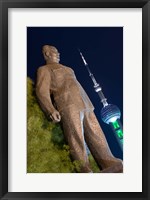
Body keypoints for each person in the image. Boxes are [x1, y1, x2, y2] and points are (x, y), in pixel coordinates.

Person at [36, 45, 123, 173]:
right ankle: (84, 169)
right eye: (55, 51)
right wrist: (50, 109)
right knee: (76, 137)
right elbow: (41, 91)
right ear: (47, 54)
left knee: (97, 135)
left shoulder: (69, 69)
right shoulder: (44, 70)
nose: (58, 53)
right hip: (67, 105)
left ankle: (109, 162)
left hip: (85, 104)